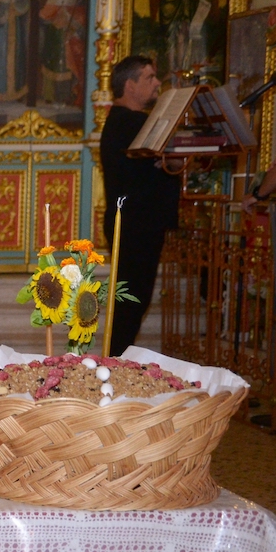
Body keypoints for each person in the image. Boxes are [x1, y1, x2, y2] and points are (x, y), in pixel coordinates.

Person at [99, 55, 181, 356]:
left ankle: (115, 361)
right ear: (130, 85)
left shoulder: (128, 122)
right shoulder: (131, 122)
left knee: (133, 301)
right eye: (149, 77)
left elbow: (166, 160)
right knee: (131, 302)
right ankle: (114, 363)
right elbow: (172, 157)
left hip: (136, 223)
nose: (157, 82)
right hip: (136, 225)